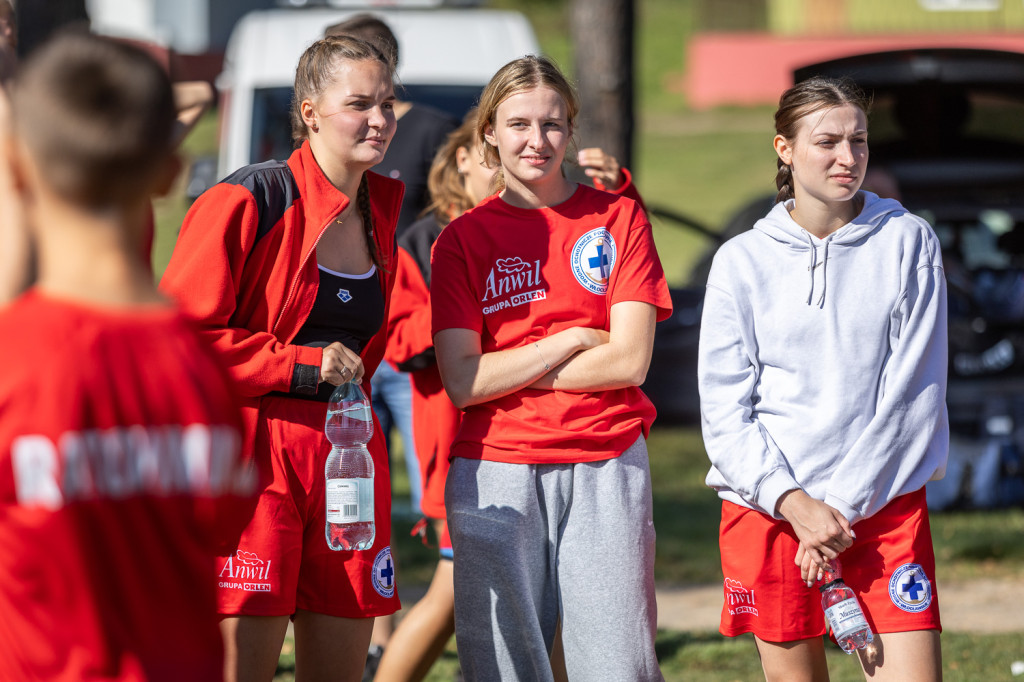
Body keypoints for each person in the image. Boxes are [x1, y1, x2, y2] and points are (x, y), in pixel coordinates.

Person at [0, 30, 254, 681]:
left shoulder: (15, 360)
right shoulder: (206, 373)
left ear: (18, 169)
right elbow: (220, 529)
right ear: (170, 171)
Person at [159, 34, 404, 682]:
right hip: (253, 465)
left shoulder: (384, 212)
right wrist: (298, 364)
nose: (379, 119)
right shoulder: (249, 198)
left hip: (349, 462)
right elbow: (179, 341)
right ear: (309, 111)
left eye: (387, 103)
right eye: (359, 104)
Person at [430, 55, 672, 682]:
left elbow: (632, 360)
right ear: (488, 131)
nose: (537, 141)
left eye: (553, 124)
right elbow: (463, 381)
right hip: (497, 469)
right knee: (504, 666)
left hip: (607, 460)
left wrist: (507, 366)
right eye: (518, 124)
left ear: (571, 128)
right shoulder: (459, 241)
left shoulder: (618, 217)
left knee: (617, 664)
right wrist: (568, 339)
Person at [697, 76, 947, 681]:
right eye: (827, 141)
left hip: (882, 508)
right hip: (770, 513)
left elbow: (914, 397)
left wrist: (835, 511)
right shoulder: (740, 261)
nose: (847, 158)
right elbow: (726, 414)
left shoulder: (908, 242)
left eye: (859, 141)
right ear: (784, 148)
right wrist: (796, 505)